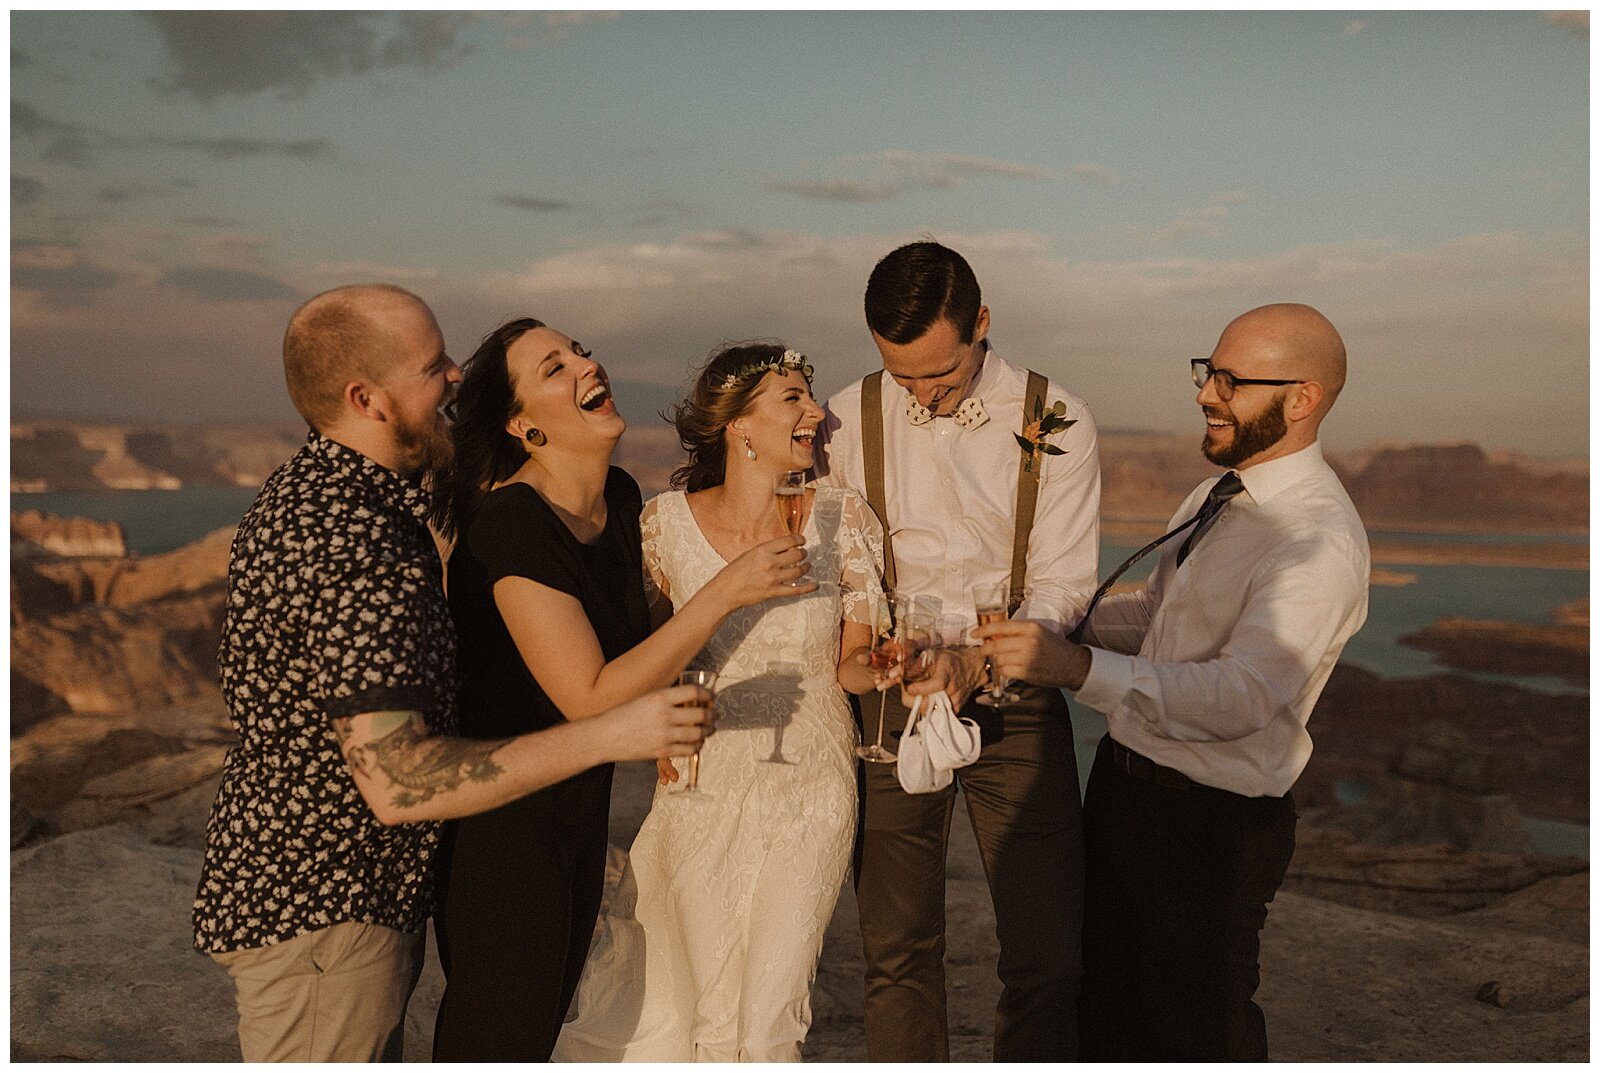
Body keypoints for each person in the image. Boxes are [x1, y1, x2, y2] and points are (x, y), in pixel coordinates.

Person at [192, 285, 714, 1063]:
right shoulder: (345, 537)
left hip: (351, 900)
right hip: (325, 908)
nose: (456, 380)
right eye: (433, 366)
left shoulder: (360, 501)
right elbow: (395, 780)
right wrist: (609, 731)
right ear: (366, 398)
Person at [976, 303, 1370, 1061]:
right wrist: (1051, 625)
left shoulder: (1317, 540)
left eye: (1231, 379)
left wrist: (1075, 668)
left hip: (1211, 831)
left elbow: (1241, 698)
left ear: (1303, 398)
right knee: (1106, 1017)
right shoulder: (1216, 495)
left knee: (1195, 1029)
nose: (1205, 393)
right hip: (1126, 794)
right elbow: (1161, 616)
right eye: (1207, 371)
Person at [427, 321, 810, 1061]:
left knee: (535, 1037)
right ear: (523, 424)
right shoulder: (512, 524)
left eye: (579, 350)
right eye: (554, 367)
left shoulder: (621, 501)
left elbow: (637, 652)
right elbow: (592, 695)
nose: (585, 363)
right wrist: (725, 592)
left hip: (578, 819)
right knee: (494, 1040)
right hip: (503, 834)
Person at [553, 343, 885, 1062]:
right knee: (706, 1008)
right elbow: (636, 665)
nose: (816, 414)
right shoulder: (663, 526)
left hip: (814, 782)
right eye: (793, 398)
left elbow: (850, 665)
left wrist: (888, 667)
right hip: (704, 779)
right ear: (740, 426)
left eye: (811, 396)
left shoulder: (843, 518)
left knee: (774, 1010)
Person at [813, 241, 1101, 1061]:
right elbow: (835, 564)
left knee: (1047, 954)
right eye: (903, 378)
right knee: (896, 951)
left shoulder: (1059, 418)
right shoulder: (843, 418)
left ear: (981, 323)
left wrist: (979, 658)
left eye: (938, 375)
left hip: (1016, 696)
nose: (923, 397)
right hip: (889, 699)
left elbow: (1063, 586)